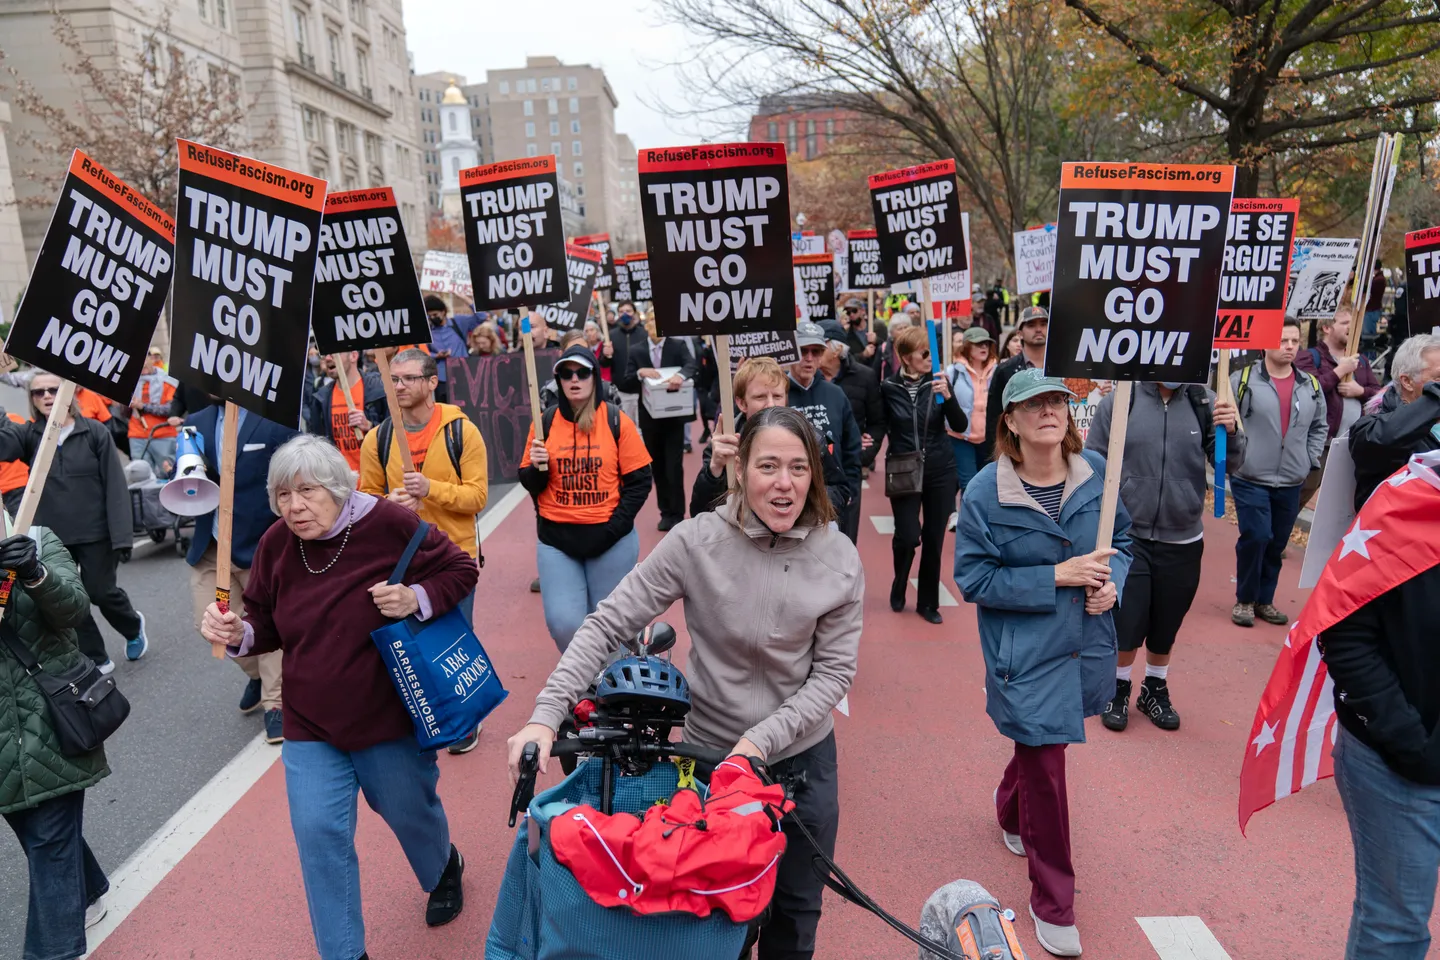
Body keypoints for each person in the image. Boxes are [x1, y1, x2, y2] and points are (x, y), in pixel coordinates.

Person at [508, 405, 861, 960]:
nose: (785, 483)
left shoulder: (839, 555)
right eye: (769, 465)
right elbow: (608, 622)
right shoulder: (697, 541)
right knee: (716, 920)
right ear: (740, 468)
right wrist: (545, 713)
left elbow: (834, 674)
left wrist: (758, 745)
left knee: (796, 918)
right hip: (708, 762)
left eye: (799, 467)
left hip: (799, 760)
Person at [201, 436, 477, 960]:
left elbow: (461, 569)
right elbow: (262, 622)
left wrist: (413, 598)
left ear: (339, 487)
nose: (294, 507)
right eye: (282, 495)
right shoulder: (276, 543)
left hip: (388, 716)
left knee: (410, 814)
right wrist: (235, 631)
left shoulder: (387, 525)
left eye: (306, 492)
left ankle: (444, 866)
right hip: (310, 721)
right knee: (319, 837)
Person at [954, 369, 1132, 958]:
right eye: (1033, 404)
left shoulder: (1098, 476)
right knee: (1048, 775)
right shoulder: (984, 492)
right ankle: (1053, 901)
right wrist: (1057, 575)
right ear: (1010, 420)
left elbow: (1122, 545)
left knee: (1037, 752)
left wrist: (1113, 588)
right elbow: (974, 578)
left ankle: (1008, 808)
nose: (1049, 411)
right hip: (1023, 658)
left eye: (1057, 401)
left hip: (1086, 647)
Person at [1321, 452, 1440, 960]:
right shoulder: (1404, 506)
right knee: (1397, 929)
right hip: (1401, 759)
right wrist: (1412, 745)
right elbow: (1345, 636)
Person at [1087, 379, 1243, 732]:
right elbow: (1094, 461)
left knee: (1166, 622)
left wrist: (1230, 433)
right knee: (1128, 619)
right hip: (1129, 536)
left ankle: (1154, 688)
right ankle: (1118, 686)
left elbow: (1230, 464)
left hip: (1184, 535)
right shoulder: (1121, 401)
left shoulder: (1206, 401)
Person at [0, 528, 112, 960]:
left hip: (52, 718)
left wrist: (34, 572)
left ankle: (55, 952)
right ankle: (89, 888)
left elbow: (74, 611)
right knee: (35, 831)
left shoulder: (38, 537)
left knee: (48, 840)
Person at [0, 373, 147, 672]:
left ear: (71, 391)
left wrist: (121, 536)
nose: (46, 396)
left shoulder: (94, 432)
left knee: (101, 591)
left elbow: (115, 487)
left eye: (53, 389)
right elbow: (3, 445)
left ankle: (132, 626)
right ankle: (96, 655)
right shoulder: (31, 435)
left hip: (96, 532)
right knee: (68, 595)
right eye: (37, 392)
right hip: (54, 535)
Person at [519, 345, 652, 652]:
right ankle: (586, 681)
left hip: (610, 538)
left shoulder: (617, 421)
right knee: (564, 623)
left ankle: (613, 687)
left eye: (582, 372)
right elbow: (531, 484)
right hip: (557, 539)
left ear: (595, 377)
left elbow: (640, 481)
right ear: (559, 381)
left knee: (611, 624)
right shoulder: (545, 424)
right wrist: (538, 467)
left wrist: (614, 527)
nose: (574, 379)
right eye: (566, 374)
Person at [184, 397, 298, 740]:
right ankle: (258, 674)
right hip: (212, 547)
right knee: (211, 624)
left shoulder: (276, 418)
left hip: (260, 547)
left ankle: (276, 704)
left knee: (267, 622)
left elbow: (294, 475)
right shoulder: (197, 420)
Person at [358, 349, 487, 624]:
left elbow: (477, 498)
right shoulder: (376, 438)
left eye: (409, 378)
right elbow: (366, 499)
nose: (399, 386)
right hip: (399, 560)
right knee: (406, 655)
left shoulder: (462, 431)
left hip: (453, 558)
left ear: (432, 382)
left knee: (455, 650)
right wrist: (387, 504)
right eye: (393, 379)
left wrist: (430, 489)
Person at [1228, 318, 1328, 627]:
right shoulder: (1241, 379)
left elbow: (1319, 426)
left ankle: (1264, 600)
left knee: (1276, 543)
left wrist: (1308, 458)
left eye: (1295, 341)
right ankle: (1244, 599)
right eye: (1283, 340)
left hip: (1290, 479)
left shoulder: (1309, 385)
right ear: (1265, 344)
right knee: (1257, 535)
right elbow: (1221, 420)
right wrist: (1237, 454)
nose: (1289, 347)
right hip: (1250, 476)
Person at [882, 324, 967, 623]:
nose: (930, 357)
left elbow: (959, 425)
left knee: (934, 538)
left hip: (941, 470)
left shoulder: (939, 384)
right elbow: (878, 427)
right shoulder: (888, 389)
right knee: (907, 536)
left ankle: (928, 603)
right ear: (906, 358)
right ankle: (900, 580)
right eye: (924, 352)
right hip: (904, 468)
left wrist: (950, 396)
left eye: (932, 352)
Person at [1295, 306, 1382, 504]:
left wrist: (1359, 391)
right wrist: (1339, 371)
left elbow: (1379, 395)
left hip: (1348, 446)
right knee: (1299, 497)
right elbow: (1308, 391)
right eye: (1345, 323)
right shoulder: (1309, 357)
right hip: (1320, 445)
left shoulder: (1362, 362)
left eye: (1354, 324)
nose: (1351, 328)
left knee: (1338, 504)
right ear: (1327, 327)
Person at [620, 319, 699, 531]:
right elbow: (625, 381)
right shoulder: (637, 351)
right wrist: (640, 373)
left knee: (674, 466)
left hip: (674, 417)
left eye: (659, 323)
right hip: (649, 419)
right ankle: (665, 512)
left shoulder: (677, 346)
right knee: (657, 467)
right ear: (646, 327)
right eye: (652, 323)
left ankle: (678, 513)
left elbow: (692, 365)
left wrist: (680, 376)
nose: (656, 328)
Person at [1347, 333, 1440, 510]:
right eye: (1439, 379)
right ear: (1407, 382)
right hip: (1399, 533)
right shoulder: (1369, 429)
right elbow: (1388, 438)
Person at [788, 321, 862, 518]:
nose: (809, 358)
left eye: (816, 352)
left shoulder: (835, 394)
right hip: (790, 496)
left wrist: (850, 490)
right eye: (803, 351)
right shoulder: (778, 394)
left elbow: (852, 447)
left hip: (833, 496)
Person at [819, 320, 884, 541]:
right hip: (813, 473)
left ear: (837, 349)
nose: (812, 353)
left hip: (848, 470)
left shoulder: (864, 377)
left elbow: (877, 422)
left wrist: (863, 456)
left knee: (845, 537)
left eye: (821, 345)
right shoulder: (808, 381)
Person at [984, 306, 1048, 463]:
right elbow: (994, 418)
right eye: (1031, 325)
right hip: (1018, 455)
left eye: (1043, 324)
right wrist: (998, 458)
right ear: (1019, 332)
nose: (1038, 329)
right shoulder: (1006, 370)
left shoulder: (1063, 367)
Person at [308, 351, 387, 473]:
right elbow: (316, 446)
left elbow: (395, 437)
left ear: (354, 356)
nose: (328, 358)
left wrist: (369, 426)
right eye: (325, 355)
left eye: (335, 353)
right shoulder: (320, 399)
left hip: (375, 484)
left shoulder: (379, 391)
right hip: (341, 486)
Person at [947, 326, 997, 495]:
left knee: (987, 487)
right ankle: (967, 521)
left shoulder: (997, 371)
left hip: (989, 439)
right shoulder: (953, 372)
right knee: (969, 486)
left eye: (987, 344)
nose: (984, 347)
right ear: (967, 346)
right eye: (978, 344)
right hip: (961, 438)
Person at [127, 346, 179, 475]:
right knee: (140, 476)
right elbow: (122, 413)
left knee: (166, 474)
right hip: (137, 435)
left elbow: (170, 409)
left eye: (145, 360)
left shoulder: (167, 380)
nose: (142, 365)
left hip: (163, 435)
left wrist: (143, 407)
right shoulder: (130, 381)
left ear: (152, 360)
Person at [606, 301, 649, 424]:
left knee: (644, 428)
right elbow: (604, 364)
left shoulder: (644, 334)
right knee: (626, 428)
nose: (625, 314)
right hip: (622, 391)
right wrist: (606, 355)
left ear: (634, 313)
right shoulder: (611, 335)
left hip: (642, 390)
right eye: (621, 311)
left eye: (628, 311)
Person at [424, 295, 468, 403]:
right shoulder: (429, 331)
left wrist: (465, 298)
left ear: (443, 312)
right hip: (441, 379)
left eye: (435, 314)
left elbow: (482, 317)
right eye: (429, 316)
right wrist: (436, 355)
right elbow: (424, 353)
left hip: (463, 374)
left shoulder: (458, 323)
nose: (433, 318)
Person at [842, 297, 886, 371]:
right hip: (860, 374)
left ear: (863, 311)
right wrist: (863, 355)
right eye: (848, 312)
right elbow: (846, 358)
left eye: (854, 311)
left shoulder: (878, 326)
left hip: (879, 371)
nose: (851, 315)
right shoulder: (846, 334)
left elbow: (888, 348)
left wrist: (876, 340)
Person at [1362, 262, 1386, 341]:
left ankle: (1370, 353)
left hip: (1372, 310)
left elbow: (1367, 289)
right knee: (1370, 333)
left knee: (1368, 335)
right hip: (1373, 309)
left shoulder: (1378, 280)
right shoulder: (1379, 278)